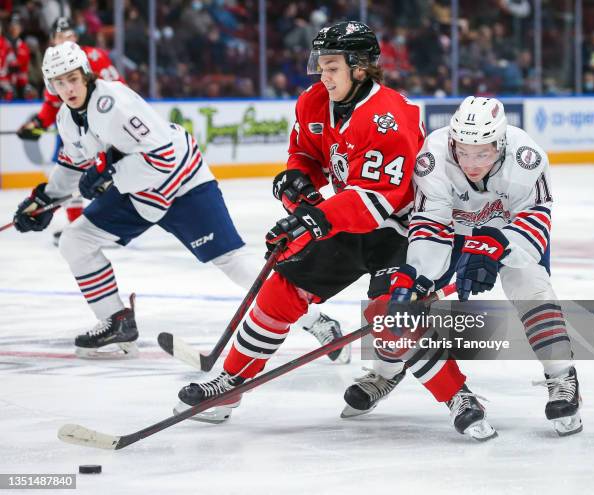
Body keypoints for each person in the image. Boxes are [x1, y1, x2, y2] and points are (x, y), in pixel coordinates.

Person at [173, 22, 494, 439]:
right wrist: (298, 187)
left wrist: (314, 218)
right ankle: (232, 384)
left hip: (405, 229)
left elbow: (377, 199)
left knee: (391, 314)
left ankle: (458, 396)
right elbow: (304, 154)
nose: (322, 76)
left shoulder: (388, 118)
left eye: (331, 67)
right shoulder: (314, 102)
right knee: (281, 289)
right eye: (320, 66)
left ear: (360, 68)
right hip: (347, 218)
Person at [12, 41, 347, 362]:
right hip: (139, 194)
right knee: (75, 240)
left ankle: (318, 321)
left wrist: (109, 169)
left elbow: (165, 157)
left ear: (85, 74)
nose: (68, 88)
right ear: (51, 86)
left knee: (233, 262)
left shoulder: (114, 101)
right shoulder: (67, 119)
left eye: (72, 78)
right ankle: (117, 322)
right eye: (59, 82)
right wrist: (45, 200)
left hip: (184, 186)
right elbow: (73, 165)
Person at [343, 96, 582, 437]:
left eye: (482, 152)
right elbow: (429, 224)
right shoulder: (434, 157)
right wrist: (416, 277)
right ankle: (386, 370)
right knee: (405, 301)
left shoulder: (526, 158)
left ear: (499, 145)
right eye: (464, 151)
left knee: (532, 288)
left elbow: (537, 221)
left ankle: (562, 377)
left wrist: (496, 246)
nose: (471, 163)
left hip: (509, 234)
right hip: (452, 233)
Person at [17, 17, 123, 241]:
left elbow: (118, 89)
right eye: (61, 36)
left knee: (107, 172)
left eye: (71, 35)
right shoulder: (52, 65)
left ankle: (109, 225)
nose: (67, 40)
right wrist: (36, 124)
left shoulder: (92, 57)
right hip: (72, 127)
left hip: (101, 127)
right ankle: (77, 225)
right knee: (71, 174)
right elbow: (52, 105)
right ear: (53, 40)